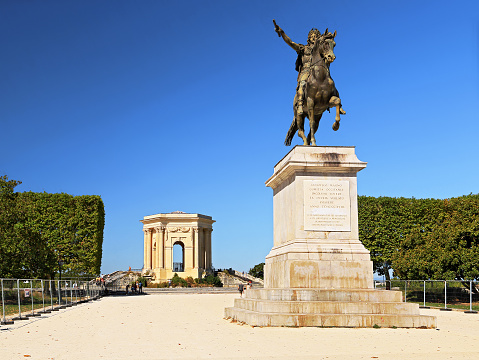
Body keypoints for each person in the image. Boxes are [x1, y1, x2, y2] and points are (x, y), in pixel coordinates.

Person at [273, 20, 345, 118]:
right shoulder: (303, 48)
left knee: (331, 83)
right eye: (312, 37)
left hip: (319, 72)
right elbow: (290, 42)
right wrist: (282, 32)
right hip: (306, 71)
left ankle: (338, 105)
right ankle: (300, 105)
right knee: (303, 82)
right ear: (308, 39)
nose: (314, 38)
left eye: (316, 36)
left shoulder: (321, 50)